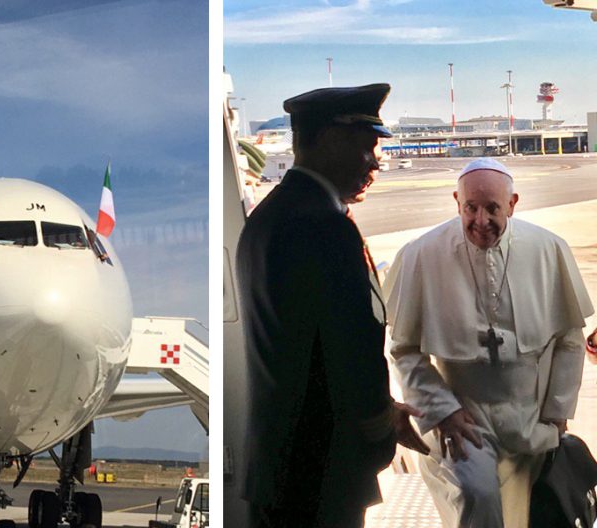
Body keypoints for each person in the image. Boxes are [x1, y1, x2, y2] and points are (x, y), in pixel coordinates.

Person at [236, 84, 428, 528]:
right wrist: (381, 423)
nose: (376, 162)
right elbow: (350, 351)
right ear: (329, 141)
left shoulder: (270, 217)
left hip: (281, 470)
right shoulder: (322, 226)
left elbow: (308, 345)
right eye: (367, 147)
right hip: (319, 474)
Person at [383, 157, 594, 528]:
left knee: (532, 511)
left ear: (512, 204)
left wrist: (557, 410)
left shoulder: (548, 249)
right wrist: (442, 410)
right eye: (471, 208)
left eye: (493, 208)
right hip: (465, 418)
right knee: (477, 497)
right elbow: (404, 349)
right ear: (457, 202)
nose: (481, 221)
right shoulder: (421, 254)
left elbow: (569, 339)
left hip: (531, 417)